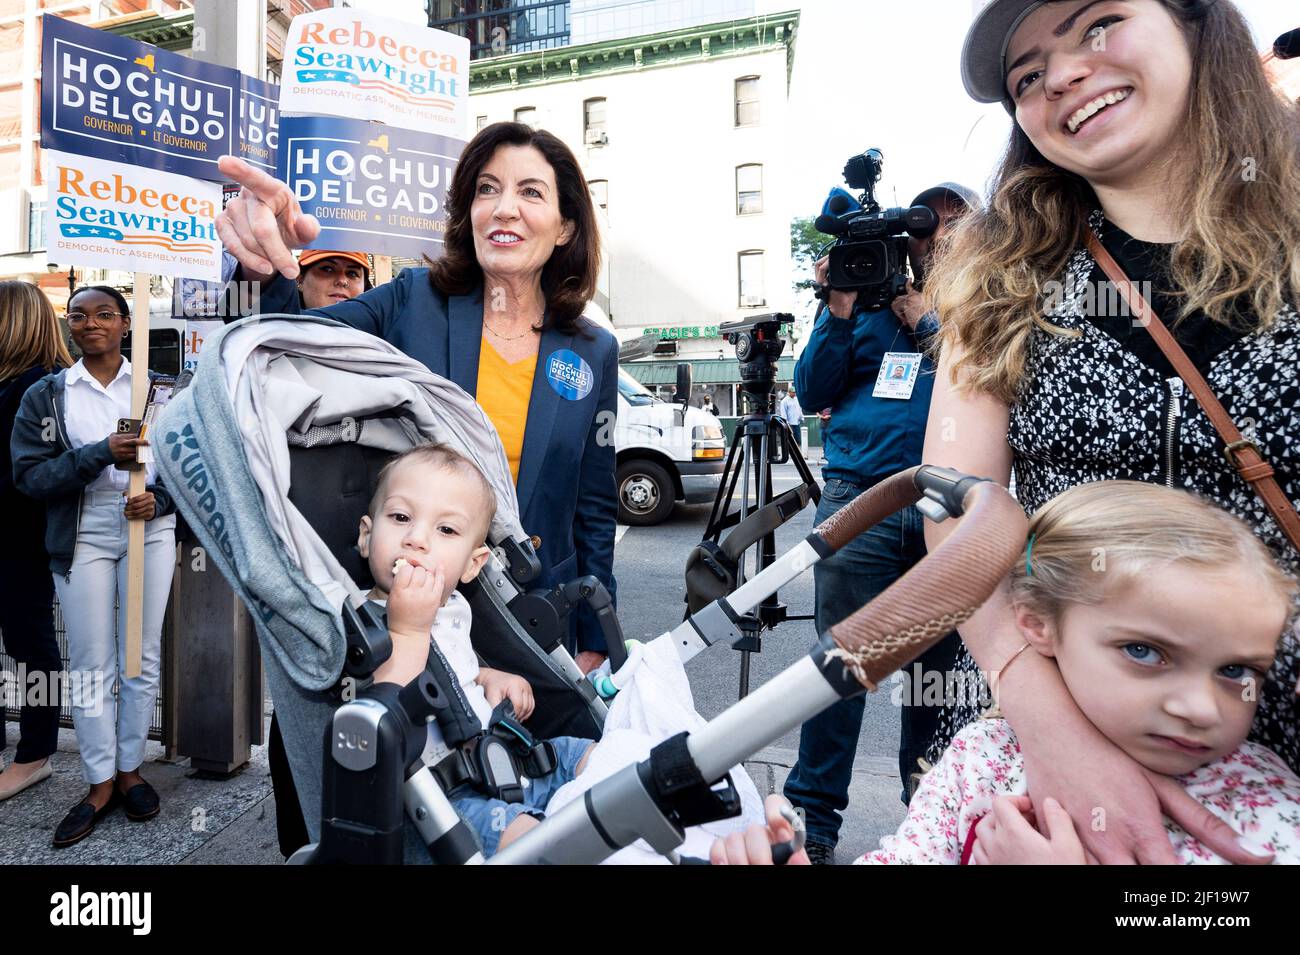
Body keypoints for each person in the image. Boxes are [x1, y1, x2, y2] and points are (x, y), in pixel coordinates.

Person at [919, 0, 1300, 865]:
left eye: (1098, 25)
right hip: (1041, 733)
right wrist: (1050, 728)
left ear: (1197, 26)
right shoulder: (999, 271)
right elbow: (955, 511)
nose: (1061, 74)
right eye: (1027, 75)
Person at [712, 482, 1300, 865]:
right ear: (1038, 624)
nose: (1199, 707)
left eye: (1234, 669)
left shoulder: (1267, 805)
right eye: (1146, 652)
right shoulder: (984, 757)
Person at [215, 122, 616, 672]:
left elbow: (593, 506)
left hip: (535, 621)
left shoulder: (593, 350)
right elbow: (288, 345)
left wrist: (597, 636)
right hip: (404, 615)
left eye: (530, 192)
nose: (503, 208)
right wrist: (264, 266)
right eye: (487, 188)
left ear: (566, 226)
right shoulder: (411, 302)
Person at [782, 181, 979, 863]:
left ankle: (929, 823)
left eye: (958, 224)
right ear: (908, 237)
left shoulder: (981, 304)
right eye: (931, 227)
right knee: (839, 669)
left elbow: (983, 379)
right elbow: (810, 391)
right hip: (859, 500)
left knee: (936, 680)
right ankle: (814, 824)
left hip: (947, 510)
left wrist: (927, 319)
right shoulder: (860, 302)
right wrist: (837, 310)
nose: (941, 239)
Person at [360, 444, 595, 856]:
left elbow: (455, 670)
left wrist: (489, 676)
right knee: (534, 841)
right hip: (447, 798)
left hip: (508, 759)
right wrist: (408, 628)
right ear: (366, 536)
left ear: (473, 563)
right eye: (400, 518)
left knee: (594, 753)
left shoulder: (454, 607)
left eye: (445, 530)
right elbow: (386, 713)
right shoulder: (368, 622)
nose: (416, 539)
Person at [10, 285, 178, 848]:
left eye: (104, 313)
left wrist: (162, 501)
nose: (91, 323)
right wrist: (102, 452)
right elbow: (31, 477)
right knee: (90, 661)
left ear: (126, 323)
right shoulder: (47, 394)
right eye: (78, 315)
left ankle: (131, 770)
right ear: (68, 326)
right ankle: (99, 781)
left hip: (149, 525)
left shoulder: (158, 392)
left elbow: (187, 471)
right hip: (81, 529)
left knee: (140, 654)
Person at [265, 245, 373, 859]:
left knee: (381, 692)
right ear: (299, 284)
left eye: (351, 273)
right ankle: (300, 842)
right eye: (324, 271)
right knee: (304, 702)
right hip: (301, 553)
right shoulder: (275, 347)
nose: (339, 282)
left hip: (372, 551)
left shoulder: (383, 351)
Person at [0, 282, 72, 802]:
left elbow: (35, 468)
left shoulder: (44, 385)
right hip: (14, 528)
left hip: (21, 532)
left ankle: (34, 754)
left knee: (30, 642)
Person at [294, 249, 372, 309]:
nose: (342, 281)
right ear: (300, 279)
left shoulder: (379, 328)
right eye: (327, 269)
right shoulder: (282, 328)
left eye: (352, 273)